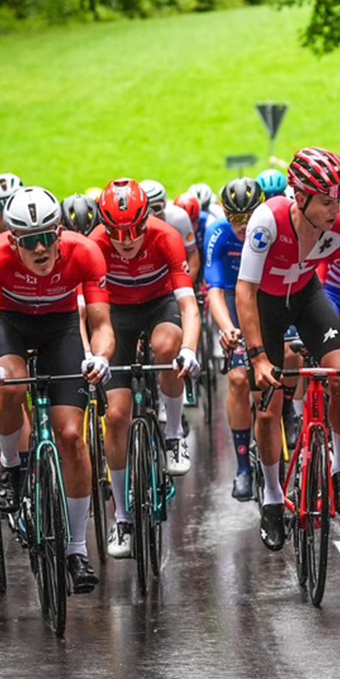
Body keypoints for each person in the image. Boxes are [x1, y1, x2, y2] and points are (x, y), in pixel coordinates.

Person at [0, 186, 113, 594]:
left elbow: (101, 323)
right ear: (13, 241)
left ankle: (76, 549)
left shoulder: (84, 252)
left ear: (60, 232)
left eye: (48, 236)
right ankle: (11, 465)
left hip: (62, 328)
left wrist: (100, 356)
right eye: (29, 241)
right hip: (12, 326)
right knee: (9, 382)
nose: (40, 248)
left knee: (71, 436)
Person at [238, 147, 340, 549]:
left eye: (338, 199)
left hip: (308, 297)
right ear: (301, 197)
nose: (334, 209)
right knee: (269, 406)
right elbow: (245, 290)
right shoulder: (267, 220)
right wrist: (257, 357)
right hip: (265, 306)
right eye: (326, 201)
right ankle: (273, 497)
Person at [91, 179, 202, 560]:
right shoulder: (96, 245)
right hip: (115, 317)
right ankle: (121, 516)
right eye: (116, 231)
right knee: (117, 414)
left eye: (134, 230)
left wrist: (189, 350)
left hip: (159, 306)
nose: (125, 240)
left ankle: (173, 434)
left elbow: (188, 306)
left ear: (147, 220)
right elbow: (87, 313)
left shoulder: (166, 237)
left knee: (167, 347)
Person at [205, 178, 263, 502]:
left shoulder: (271, 228)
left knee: (290, 360)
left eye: (248, 217)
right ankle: (243, 467)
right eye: (235, 218)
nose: (241, 226)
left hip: (266, 300)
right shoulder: (217, 234)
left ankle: (291, 413)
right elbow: (213, 290)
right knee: (240, 379)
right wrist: (227, 328)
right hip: (232, 301)